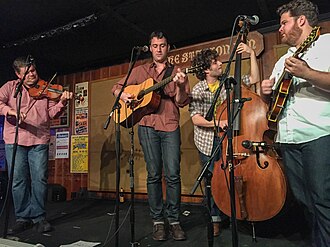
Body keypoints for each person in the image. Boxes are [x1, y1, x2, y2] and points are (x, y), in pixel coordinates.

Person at [260, 0, 330, 246]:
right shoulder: (284, 59)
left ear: (301, 20)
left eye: (284, 23)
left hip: (318, 135)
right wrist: (265, 91)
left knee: (323, 200)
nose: (280, 29)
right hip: (288, 139)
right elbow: (274, 100)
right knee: (304, 202)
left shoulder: (327, 44)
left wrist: (307, 73)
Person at [112, 31, 190, 241]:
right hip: (146, 125)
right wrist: (126, 94)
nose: (158, 49)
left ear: (168, 47)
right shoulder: (140, 70)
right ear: (150, 47)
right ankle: (158, 221)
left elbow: (182, 102)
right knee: (154, 174)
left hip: (170, 125)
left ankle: (173, 220)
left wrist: (181, 86)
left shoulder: (177, 72)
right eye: (155, 46)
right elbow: (116, 88)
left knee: (173, 174)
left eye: (162, 45)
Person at [189, 43, 260, 237]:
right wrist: (218, 123)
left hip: (229, 139)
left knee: (232, 177)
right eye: (215, 62)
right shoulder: (198, 89)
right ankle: (215, 219)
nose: (220, 63)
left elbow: (254, 79)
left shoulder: (228, 81)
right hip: (207, 141)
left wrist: (251, 54)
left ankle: (234, 214)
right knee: (213, 181)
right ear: (206, 69)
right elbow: (195, 118)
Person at [0, 56, 73, 234]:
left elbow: (50, 114)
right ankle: (23, 217)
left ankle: (39, 217)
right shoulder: (10, 87)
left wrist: (62, 102)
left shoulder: (45, 87)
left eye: (33, 70)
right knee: (18, 180)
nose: (33, 75)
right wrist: (11, 111)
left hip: (39, 139)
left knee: (39, 178)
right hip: (14, 139)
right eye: (27, 73)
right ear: (18, 75)